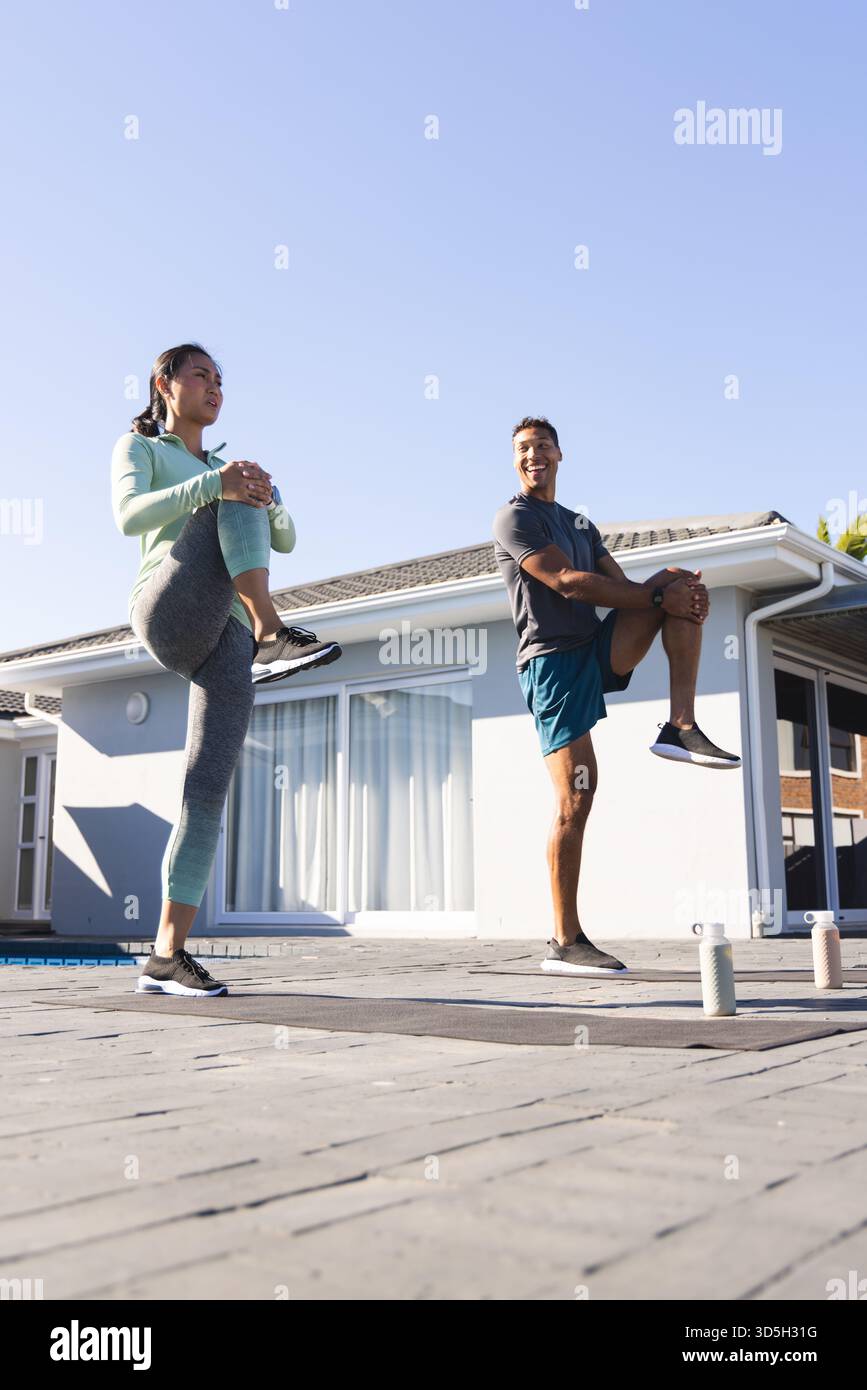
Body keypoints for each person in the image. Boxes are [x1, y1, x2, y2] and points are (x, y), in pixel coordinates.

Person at [110, 342, 342, 997]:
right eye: (200, 375)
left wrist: (266, 498)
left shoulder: (226, 468)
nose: (214, 386)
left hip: (225, 638)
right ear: (164, 384)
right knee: (229, 481)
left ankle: (165, 955)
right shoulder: (142, 450)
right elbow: (129, 517)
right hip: (169, 605)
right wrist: (219, 485)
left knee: (205, 795)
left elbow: (288, 537)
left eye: (220, 379)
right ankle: (272, 631)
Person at [492, 416, 741, 977]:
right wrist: (662, 596)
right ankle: (565, 941)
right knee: (577, 798)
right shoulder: (516, 517)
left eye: (542, 446)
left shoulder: (579, 521)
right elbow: (567, 582)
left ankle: (680, 725)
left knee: (675, 578)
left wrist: (672, 596)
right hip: (552, 663)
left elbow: (624, 585)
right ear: (516, 461)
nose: (533, 455)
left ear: (560, 454)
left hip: (594, 648)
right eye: (523, 449)